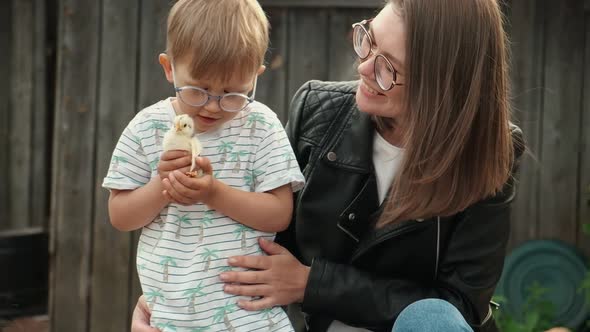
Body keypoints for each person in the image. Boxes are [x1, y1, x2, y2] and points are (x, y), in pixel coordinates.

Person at [131, 0, 524, 331]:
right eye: (368, 40)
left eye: (389, 68)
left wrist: (312, 283)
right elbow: (257, 245)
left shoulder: (492, 152)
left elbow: (460, 306)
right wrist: (168, 307)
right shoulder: (317, 112)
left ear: (444, 86)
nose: (363, 68)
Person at [103, 0, 304, 331]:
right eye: (198, 90)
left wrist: (214, 193)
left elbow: (279, 214)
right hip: (172, 315)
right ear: (169, 68)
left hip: (249, 314)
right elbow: (121, 216)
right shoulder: (147, 128)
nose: (213, 105)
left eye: (233, 94)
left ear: (256, 76)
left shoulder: (261, 126)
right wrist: (162, 186)